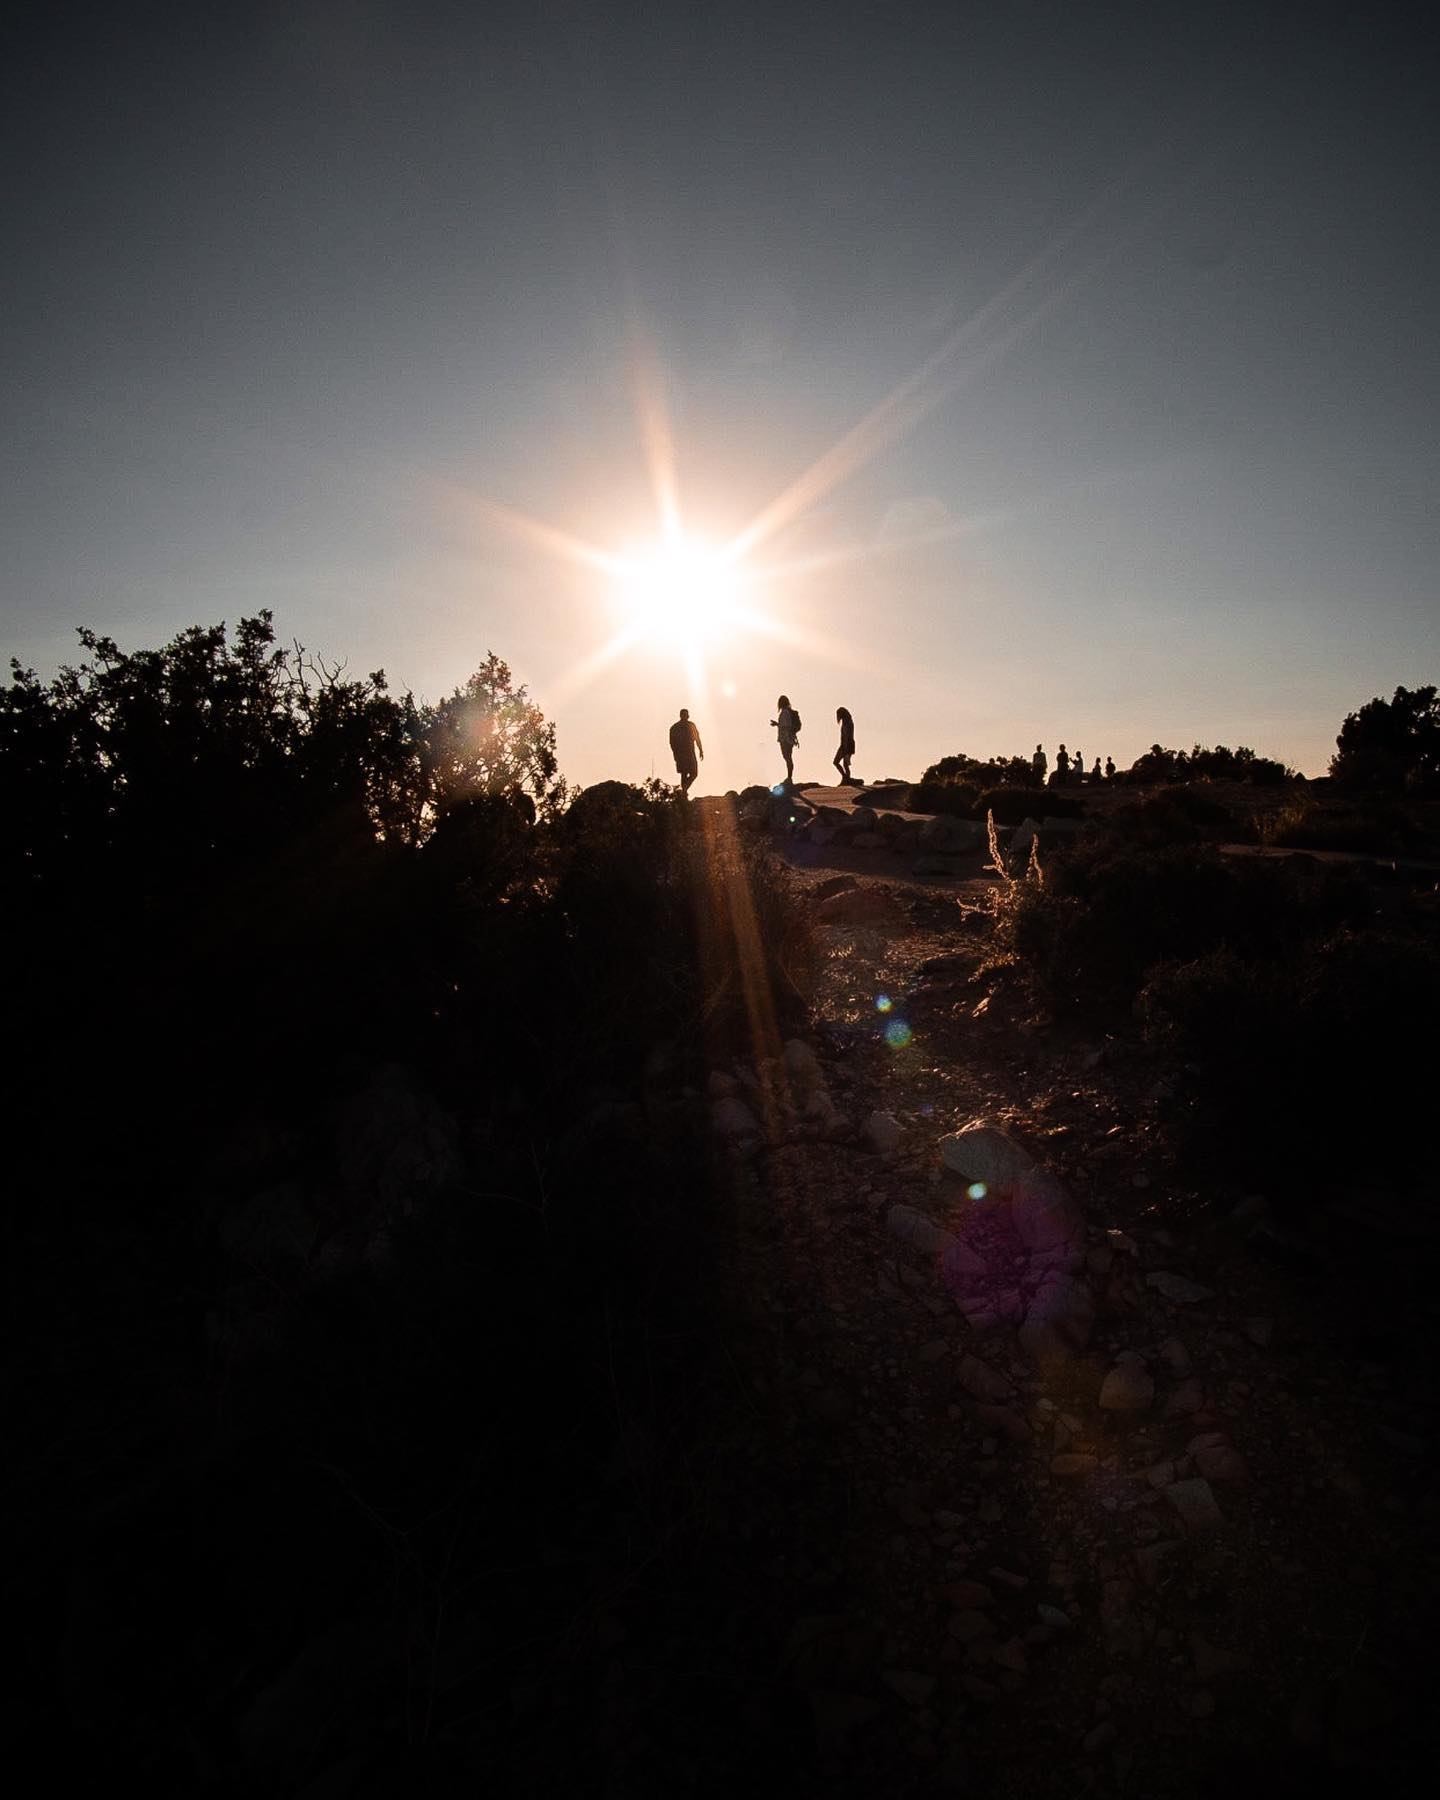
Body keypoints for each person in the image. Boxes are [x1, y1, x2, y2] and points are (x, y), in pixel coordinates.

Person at [668, 707, 703, 797]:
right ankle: (684, 792)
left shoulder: (690, 725)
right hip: (683, 754)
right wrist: (675, 754)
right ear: (681, 716)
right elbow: (672, 743)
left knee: (692, 773)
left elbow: (697, 738)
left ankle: (684, 790)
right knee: (685, 773)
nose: (686, 716)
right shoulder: (675, 728)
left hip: (689, 753)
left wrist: (700, 750)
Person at [770, 694, 800, 786]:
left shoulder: (785, 713)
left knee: (787, 757)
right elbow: (786, 725)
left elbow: (786, 726)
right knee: (788, 757)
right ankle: (789, 777)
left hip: (785, 739)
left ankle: (789, 777)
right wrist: (777, 724)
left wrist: (777, 725)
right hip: (788, 738)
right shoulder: (787, 712)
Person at [833, 706, 856, 783]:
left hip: (846, 746)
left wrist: (846, 749)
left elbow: (847, 736)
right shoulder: (847, 722)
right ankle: (845, 778)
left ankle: (846, 778)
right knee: (840, 763)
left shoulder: (847, 723)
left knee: (841, 763)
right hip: (845, 745)